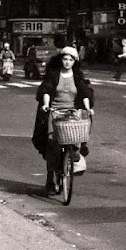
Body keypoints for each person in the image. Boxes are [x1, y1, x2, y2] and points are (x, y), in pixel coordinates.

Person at [32, 46, 94, 196]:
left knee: (78, 135)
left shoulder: (77, 76)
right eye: (65, 59)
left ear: (74, 62)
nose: (67, 62)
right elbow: (46, 89)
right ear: (61, 60)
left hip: (72, 111)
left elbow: (85, 92)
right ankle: (50, 177)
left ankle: (76, 154)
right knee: (52, 144)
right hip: (55, 111)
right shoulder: (54, 74)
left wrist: (87, 108)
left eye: (70, 60)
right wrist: (46, 105)